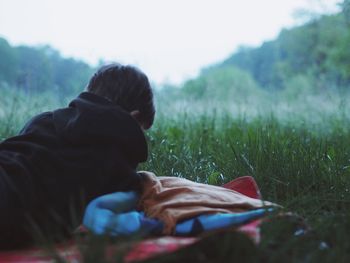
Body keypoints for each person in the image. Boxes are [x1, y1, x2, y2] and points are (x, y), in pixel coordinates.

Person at [0, 63, 155, 249]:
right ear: (134, 118)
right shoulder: (118, 155)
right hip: (11, 210)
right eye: (141, 131)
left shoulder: (44, 120)